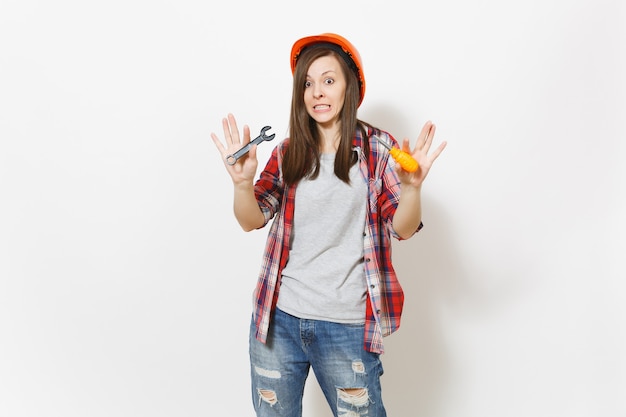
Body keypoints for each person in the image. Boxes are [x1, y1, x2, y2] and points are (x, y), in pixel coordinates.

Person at [211, 33, 446, 417]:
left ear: (349, 87)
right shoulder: (288, 152)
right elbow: (251, 219)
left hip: (346, 326)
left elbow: (402, 227)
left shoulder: (377, 149)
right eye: (308, 83)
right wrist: (241, 184)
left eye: (328, 80)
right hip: (279, 323)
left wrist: (412, 189)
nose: (317, 92)